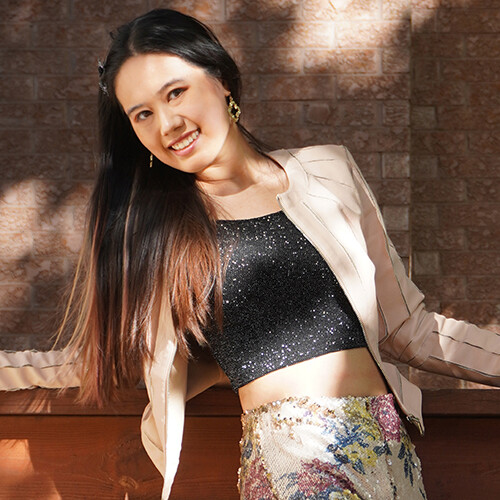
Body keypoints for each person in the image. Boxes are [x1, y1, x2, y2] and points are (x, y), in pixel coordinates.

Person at [0, 8, 499, 499]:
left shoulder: (329, 172)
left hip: (390, 454)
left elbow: (408, 329)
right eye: (143, 114)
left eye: (176, 92)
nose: (168, 124)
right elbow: (107, 361)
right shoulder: (154, 230)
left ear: (221, 80)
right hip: (292, 463)